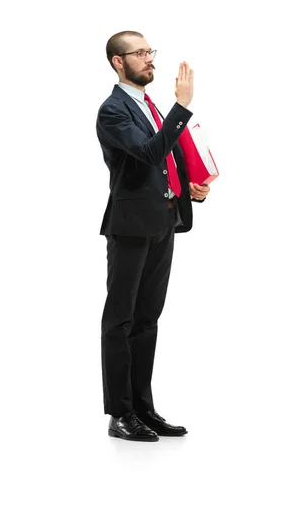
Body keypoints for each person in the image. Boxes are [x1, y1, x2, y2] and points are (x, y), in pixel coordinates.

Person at [96, 31, 210, 442]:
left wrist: (191, 185)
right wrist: (182, 106)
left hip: (163, 222)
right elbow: (145, 153)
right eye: (139, 53)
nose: (149, 59)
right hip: (129, 227)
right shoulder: (113, 110)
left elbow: (169, 154)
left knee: (147, 319)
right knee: (120, 320)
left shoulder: (149, 105)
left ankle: (143, 407)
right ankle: (120, 414)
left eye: (149, 51)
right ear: (117, 62)